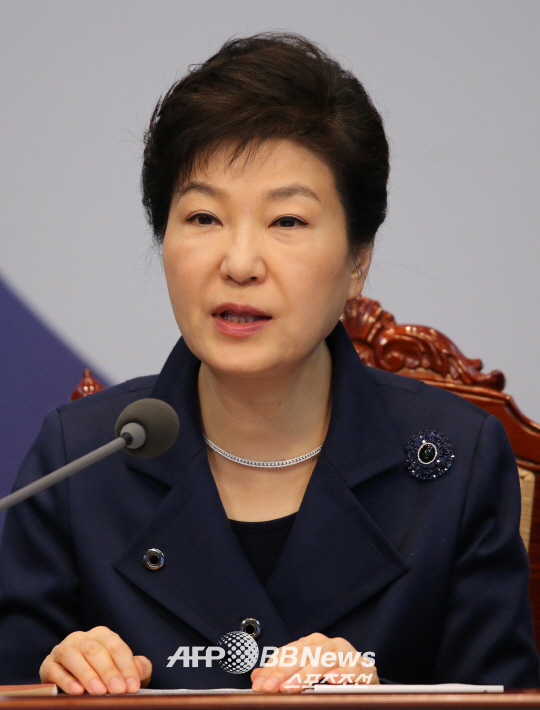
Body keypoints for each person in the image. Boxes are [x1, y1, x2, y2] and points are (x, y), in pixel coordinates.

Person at [0, 31, 538, 695]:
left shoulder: (456, 466)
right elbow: (16, 678)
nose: (239, 263)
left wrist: (383, 698)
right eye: (203, 217)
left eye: (287, 221)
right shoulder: (79, 461)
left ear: (357, 260)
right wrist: (53, 683)